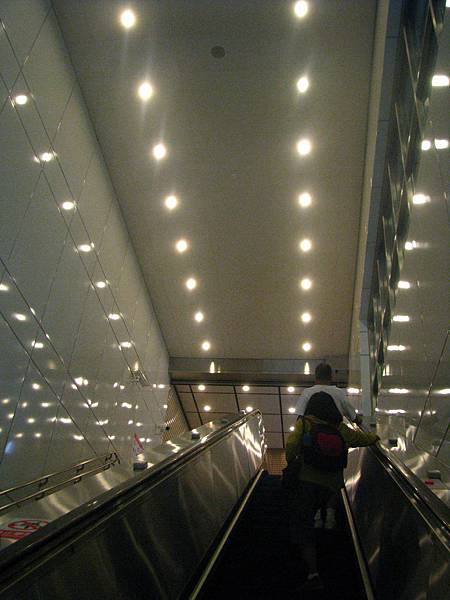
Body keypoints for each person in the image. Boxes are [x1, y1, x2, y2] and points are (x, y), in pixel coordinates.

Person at [285, 391, 379, 591]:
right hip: (331, 485)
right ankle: (328, 518)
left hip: (306, 481)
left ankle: (313, 573)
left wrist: (291, 460)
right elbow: (360, 439)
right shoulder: (339, 427)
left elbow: (291, 445)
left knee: (303, 524)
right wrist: (377, 436)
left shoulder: (305, 423)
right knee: (325, 506)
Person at [295, 362, 361, 424]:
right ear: (331, 377)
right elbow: (354, 417)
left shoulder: (307, 392)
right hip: (333, 430)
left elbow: (300, 416)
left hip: (313, 431)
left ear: (316, 377)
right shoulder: (339, 392)